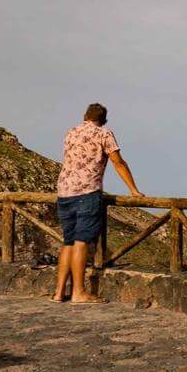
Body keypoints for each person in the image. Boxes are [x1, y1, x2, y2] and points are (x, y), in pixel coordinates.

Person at [52, 103, 143, 303]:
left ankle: (59, 293)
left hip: (64, 192)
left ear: (85, 116)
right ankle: (78, 292)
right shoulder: (103, 133)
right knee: (81, 242)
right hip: (87, 192)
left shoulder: (72, 132)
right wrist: (133, 190)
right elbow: (118, 162)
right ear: (103, 119)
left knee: (68, 242)